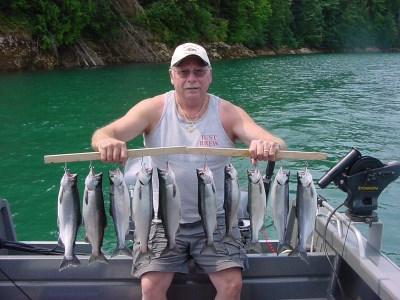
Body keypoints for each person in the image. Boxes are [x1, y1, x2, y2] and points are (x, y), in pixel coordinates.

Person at [91, 42, 286, 300]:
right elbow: (105, 133)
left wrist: (267, 145)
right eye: (183, 72)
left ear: (210, 75)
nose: (191, 79)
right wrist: (106, 142)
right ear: (172, 76)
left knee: (231, 285)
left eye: (198, 71)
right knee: (150, 287)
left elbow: (275, 143)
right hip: (160, 218)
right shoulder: (152, 109)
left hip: (217, 218)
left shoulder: (228, 113)